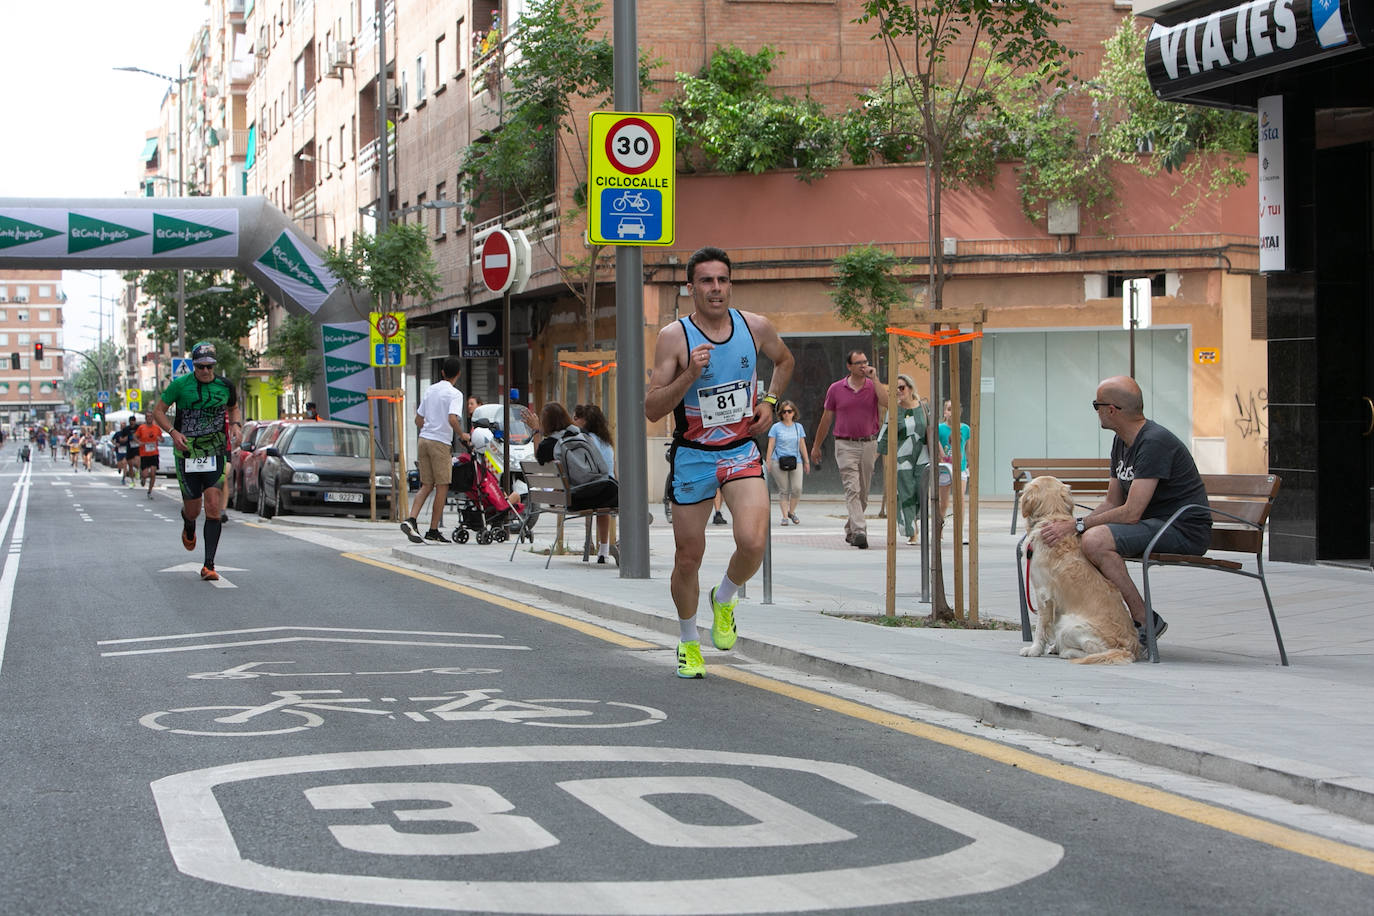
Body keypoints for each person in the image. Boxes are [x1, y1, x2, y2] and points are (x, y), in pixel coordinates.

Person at [645, 245, 795, 679]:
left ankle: (725, 597)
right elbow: (653, 408)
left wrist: (769, 401)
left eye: (723, 280)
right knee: (688, 556)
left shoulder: (755, 327)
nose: (716, 289)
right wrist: (690, 375)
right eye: (707, 281)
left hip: (740, 449)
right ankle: (689, 641)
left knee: (752, 542)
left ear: (731, 285)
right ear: (691, 287)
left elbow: (784, 361)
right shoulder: (675, 337)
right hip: (694, 456)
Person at [1039, 375, 1212, 646]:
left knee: (1094, 540)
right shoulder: (1122, 441)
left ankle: (1144, 619)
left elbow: (1131, 512)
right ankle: (1100, 619)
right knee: (1083, 538)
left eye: (1096, 405)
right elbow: (1112, 502)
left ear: (1112, 410)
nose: (1095, 411)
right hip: (1153, 523)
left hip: (1181, 528)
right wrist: (1072, 526)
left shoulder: (1154, 442)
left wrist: (1079, 525)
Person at [152, 341, 242, 581]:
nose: (205, 371)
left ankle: (209, 565)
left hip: (214, 453)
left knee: (213, 506)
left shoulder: (225, 386)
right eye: (201, 366)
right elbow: (157, 411)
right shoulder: (180, 386)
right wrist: (173, 432)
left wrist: (235, 425)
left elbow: (233, 408)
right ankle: (188, 524)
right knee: (193, 510)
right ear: (194, 365)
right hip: (187, 455)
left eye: (209, 366)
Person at [809, 350, 888, 549]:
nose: (863, 365)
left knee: (863, 492)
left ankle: (851, 528)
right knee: (852, 488)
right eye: (858, 362)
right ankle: (860, 531)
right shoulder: (836, 389)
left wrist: (875, 378)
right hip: (845, 444)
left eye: (865, 361)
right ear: (849, 366)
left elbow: (887, 402)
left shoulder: (873, 386)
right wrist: (816, 446)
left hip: (869, 443)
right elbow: (826, 419)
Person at [403, 356, 465, 545]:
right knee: (442, 485)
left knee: (426, 484)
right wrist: (463, 435)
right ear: (459, 374)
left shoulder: (430, 390)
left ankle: (411, 519)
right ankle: (433, 529)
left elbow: (418, 419)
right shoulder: (455, 394)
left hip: (424, 439)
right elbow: (453, 419)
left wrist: (429, 429)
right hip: (440, 443)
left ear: (442, 372)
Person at [877, 375, 930, 545]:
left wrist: (941, 453)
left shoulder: (923, 407)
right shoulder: (894, 411)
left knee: (921, 492)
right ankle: (911, 531)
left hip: (923, 456)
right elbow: (884, 435)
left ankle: (920, 524)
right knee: (906, 492)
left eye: (902, 387)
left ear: (910, 388)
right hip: (903, 458)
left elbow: (931, 430)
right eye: (895, 389)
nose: (899, 392)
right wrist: (875, 458)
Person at [573, 403, 618, 564]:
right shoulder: (606, 442)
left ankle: (591, 545)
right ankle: (603, 550)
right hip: (608, 492)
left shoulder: (586, 439)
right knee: (603, 507)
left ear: (586, 421)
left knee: (599, 504)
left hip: (590, 494)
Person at [765, 400, 807, 526]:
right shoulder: (776, 427)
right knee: (784, 490)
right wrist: (768, 461)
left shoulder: (798, 427)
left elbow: (802, 444)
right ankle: (784, 517)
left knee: (797, 488)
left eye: (789, 411)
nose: (787, 414)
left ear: (794, 412)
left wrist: (807, 461)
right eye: (784, 412)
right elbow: (771, 445)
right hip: (778, 461)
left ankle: (791, 512)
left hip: (796, 460)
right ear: (780, 414)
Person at [938, 398, 972, 538]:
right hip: (945, 468)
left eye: (955, 409)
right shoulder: (940, 428)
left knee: (960, 500)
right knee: (944, 502)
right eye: (949, 409)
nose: (952, 413)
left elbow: (968, 448)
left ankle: (959, 531)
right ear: (945, 412)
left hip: (961, 467)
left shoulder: (965, 428)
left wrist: (970, 464)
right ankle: (938, 529)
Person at [134, 414, 162, 499]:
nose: (149, 418)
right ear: (146, 418)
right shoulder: (141, 428)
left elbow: (161, 438)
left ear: (152, 418)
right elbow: (135, 436)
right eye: (148, 416)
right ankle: (143, 478)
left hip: (154, 453)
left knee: (153, 473)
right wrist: (139, 442)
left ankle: (149, 491)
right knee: (145, 474)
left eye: (150, 416)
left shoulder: (156, 428)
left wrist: (159, 439)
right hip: (144, 454)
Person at [113, 417, 136, 486]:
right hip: (119, 451)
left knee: (125, 464)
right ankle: (119, 469)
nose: (123, 427)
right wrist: (115, 444)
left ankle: (123, 478)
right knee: (120, 464)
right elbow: (113, 440)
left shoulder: (128, 433)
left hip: (126, 451)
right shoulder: (118, 433)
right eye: (122, 426)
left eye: (124, 426)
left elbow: (130, 439)